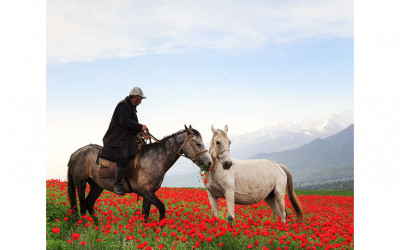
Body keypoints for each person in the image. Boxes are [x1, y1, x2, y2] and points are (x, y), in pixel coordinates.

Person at [102, 87, 149, 195]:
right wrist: (141, 126)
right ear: (136, 97)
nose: (141, 102)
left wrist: (142, 133)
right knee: (124, 156)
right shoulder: (123, 105)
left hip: (126, 138)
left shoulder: (131, 108)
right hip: (117, 138)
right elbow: (124, 121)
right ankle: (117, 184)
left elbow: (134, 125)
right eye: (140, 99)